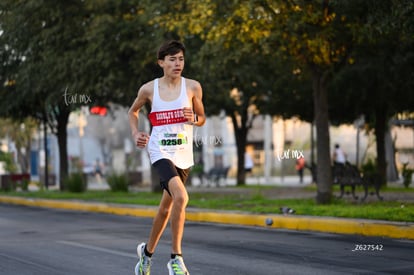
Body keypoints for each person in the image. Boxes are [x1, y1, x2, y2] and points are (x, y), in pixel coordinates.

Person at [128, 40, 206, 275]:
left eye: (181, 59)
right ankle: (176, 259)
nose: (177, 63)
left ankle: (147, 254)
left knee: (165, 209)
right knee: (181, 197)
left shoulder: (192, 87)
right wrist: (136, 133)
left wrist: (193, 117)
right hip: (159, 150)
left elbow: (201, 117)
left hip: (183, 153)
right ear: (161, 62)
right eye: (172, 59)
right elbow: (133, 111)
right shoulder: (148, 89)